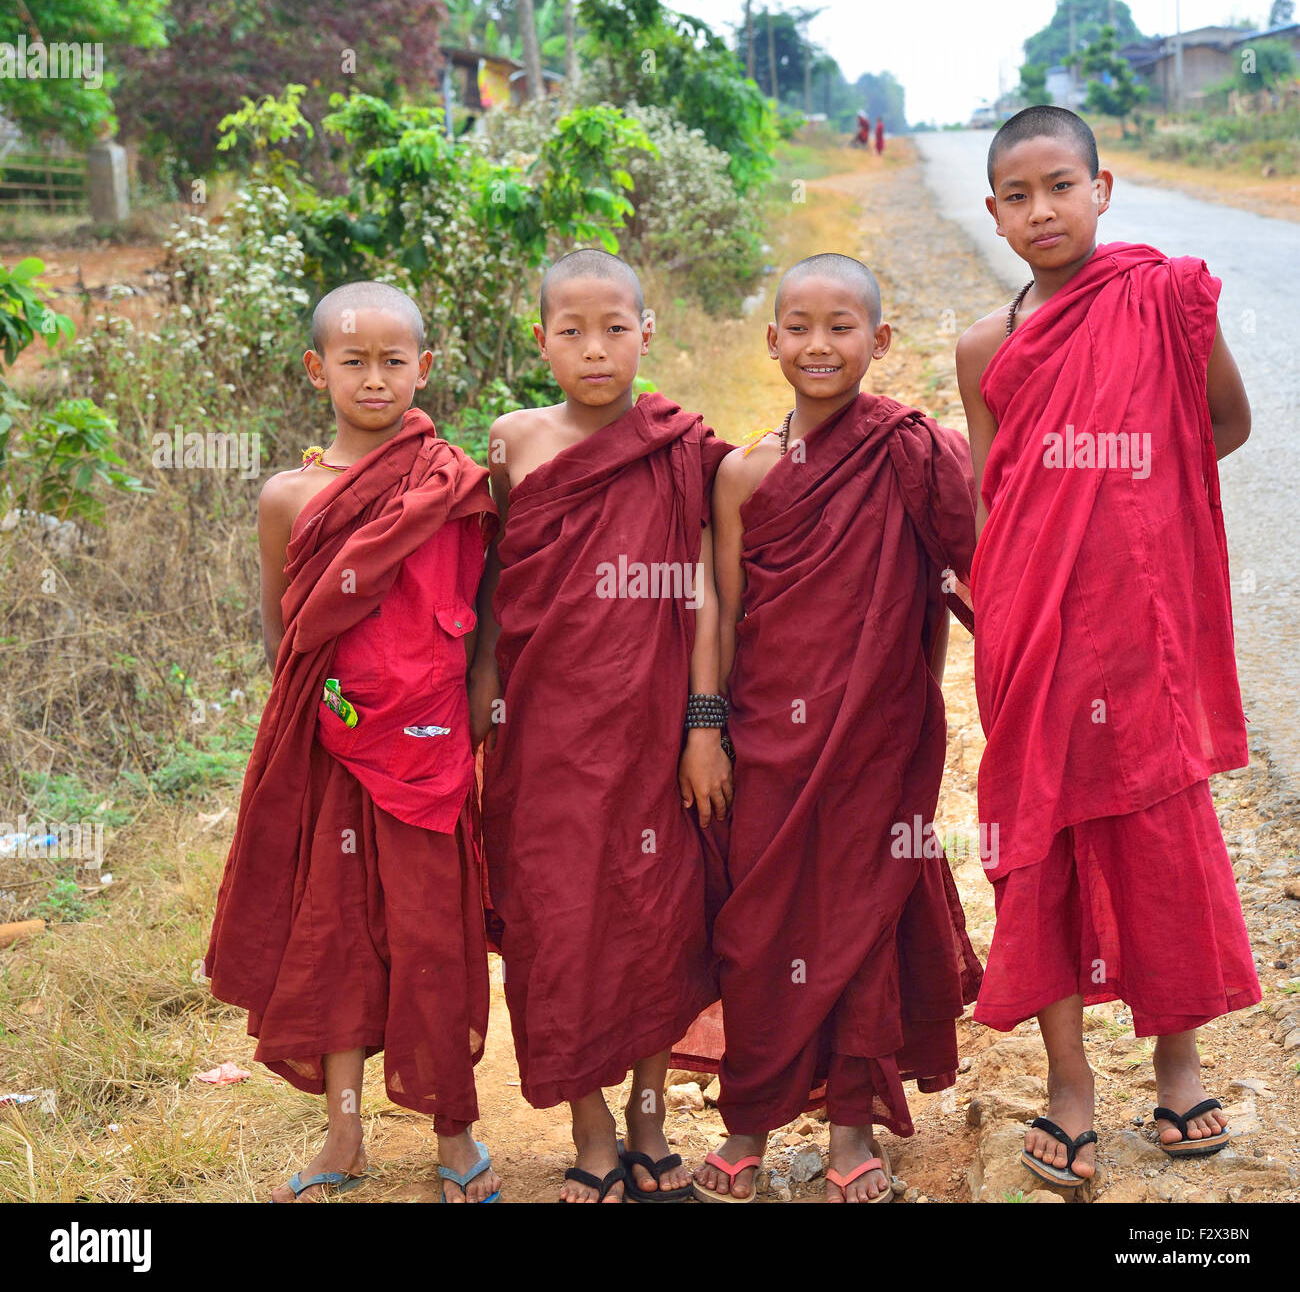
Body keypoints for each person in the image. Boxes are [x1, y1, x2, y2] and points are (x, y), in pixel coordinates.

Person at [956, 105, 1259, 1189]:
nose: (1042, 210)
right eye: (1018, 196)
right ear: (992, 214)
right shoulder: (984, 347)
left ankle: (1178, 1066)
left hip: (1140, 627)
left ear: (1102, 188)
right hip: (1032, 635)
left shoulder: (1166, 294)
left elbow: (1223, 425)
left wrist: (1143, 506)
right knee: (1037, 839)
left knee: (1158, 828)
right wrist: (1001, 606)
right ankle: (1068, 1088)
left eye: (1060, 187)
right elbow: (994, 496)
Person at [687, 253, 983, 1203]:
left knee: (861, 922)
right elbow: (720, 613)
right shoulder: (743, 475)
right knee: (762, 923)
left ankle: (853, 1128)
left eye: (841, 327)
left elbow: (960, 579)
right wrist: (705, 729)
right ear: (771, 341)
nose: (820, 345)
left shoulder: (915, 450)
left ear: (880, 341)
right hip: (767, 736)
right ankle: (749, 1121)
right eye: (800, 328)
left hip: (879, 734)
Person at [205, 281, 502, 1204]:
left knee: (432, 936)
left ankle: (454, 1131)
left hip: (430, 746)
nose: (375, 379)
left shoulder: (453, 482)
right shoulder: (289, 496)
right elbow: (281, 635)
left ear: (426, 366)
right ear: (316, 368)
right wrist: (317, 725)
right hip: (332, 749)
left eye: (393, 361)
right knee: (333, 934)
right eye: (352, 361)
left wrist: (481, 695)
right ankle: (344, 1137)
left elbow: (488, 613)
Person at [471, 249, 733, 1203]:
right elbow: (495, 576)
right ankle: (588, 1124)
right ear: (539, 340)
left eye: (614, 329)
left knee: (657, 914)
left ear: (647, 333)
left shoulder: (680, 444)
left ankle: (650, 1113)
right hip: (544, 731)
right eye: (571, 332)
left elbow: (704, 590)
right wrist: (484, 699)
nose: (594, 349)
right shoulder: (514, 441)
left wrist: (706, 724)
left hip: (655, 725)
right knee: (557, 917)